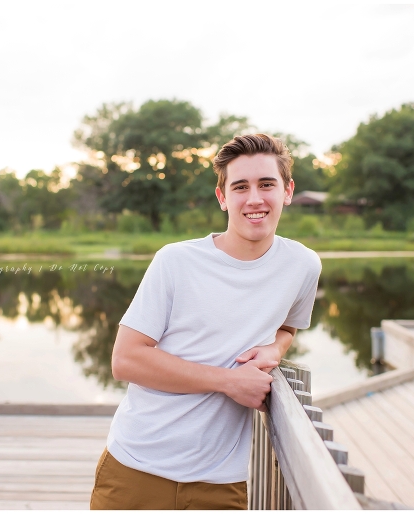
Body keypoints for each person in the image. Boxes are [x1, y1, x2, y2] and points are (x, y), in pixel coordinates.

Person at [90, 133, 322, 510]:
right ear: (222, 197)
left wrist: (275, 348)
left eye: (267, 184)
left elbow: (288, 326)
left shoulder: (302, 265)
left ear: (288, 191)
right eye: (240, 187)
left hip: (223, 481)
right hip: (137, 468)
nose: (254, 199)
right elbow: (126, 360)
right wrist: (230, 381)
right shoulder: (176, 262)